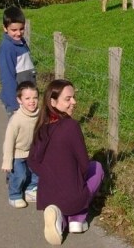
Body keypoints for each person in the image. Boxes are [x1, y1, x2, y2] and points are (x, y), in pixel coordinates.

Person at [27, 79, 104, 245]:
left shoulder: (41, 126)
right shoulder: (71, 126)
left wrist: (49, 176)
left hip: (47, 195)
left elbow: (32, 161)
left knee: (65, 196)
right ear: (53, 102)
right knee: (96, 168)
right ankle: (78, 218)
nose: (74, 102)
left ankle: (59, 220)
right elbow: (84, 164)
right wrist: (74, 179)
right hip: (72, 196)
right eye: (68, 99)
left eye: (74, 97)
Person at [2, 81, 40, 208]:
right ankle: (15, 195)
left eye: (35, 98)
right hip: (17, 152)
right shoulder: (16, 119)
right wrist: (7, 161)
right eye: (27, 98)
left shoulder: (39, 115)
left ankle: (31, 189)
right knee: (20, 175)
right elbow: (8, 142)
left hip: (33, 151)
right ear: (19, 100)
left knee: (35, 172)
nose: (32, 101)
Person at [0, 6, 37, 116]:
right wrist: (14, 106)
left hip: (27, 99)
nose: (18, 33)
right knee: (19, 132)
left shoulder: (20, 42)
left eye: (21, 29)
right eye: (14, 30)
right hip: (18, 103)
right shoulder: (7, 48)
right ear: (5, 28)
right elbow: (7, 78)